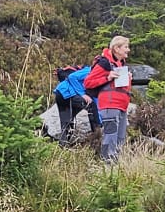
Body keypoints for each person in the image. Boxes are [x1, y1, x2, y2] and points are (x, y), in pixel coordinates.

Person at [83, 34, 134, 163]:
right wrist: (107, 77)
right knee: (110, 136)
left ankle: (116, 165)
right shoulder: (104, 63)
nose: (128, 50)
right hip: (110, 105)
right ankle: (107, 164)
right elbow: (88, 83)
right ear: (117, 48)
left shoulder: (121, 64)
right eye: (126, 47)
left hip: (121, 106)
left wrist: (128, 79)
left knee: (120, 138)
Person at [50, 63, 93, 145]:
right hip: (68, 93)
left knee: (66, 122)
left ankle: (63, 146)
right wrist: (83, 94)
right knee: (90, 104)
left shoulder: (87, 70)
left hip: (60, 93)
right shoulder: (90, 71)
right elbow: (72, 77)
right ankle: (96, 133)